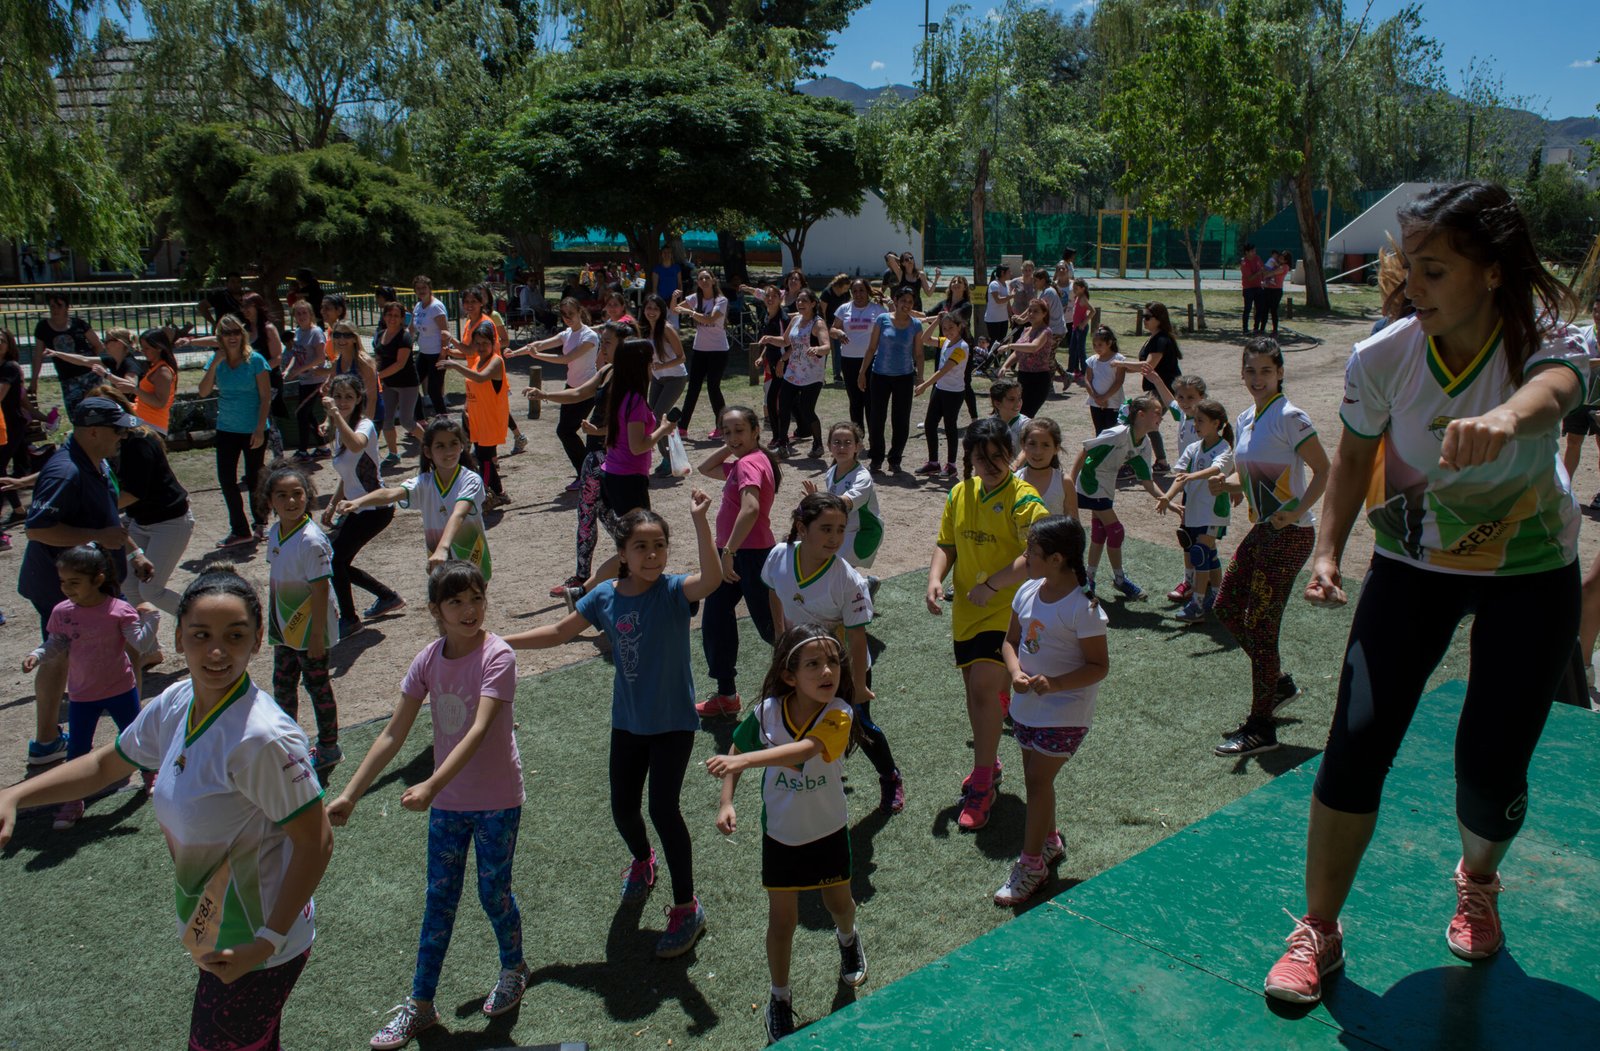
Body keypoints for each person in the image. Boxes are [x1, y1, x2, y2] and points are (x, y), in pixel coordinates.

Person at [1262, 183, 1586, 1004]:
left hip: (1530, 572)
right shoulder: (1383, 356)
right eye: (1411, 268)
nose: (1414, 288)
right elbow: (1352, 459)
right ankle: (1319, 929)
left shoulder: (1553, 338)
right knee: (1355, 740)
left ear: (1491, 273)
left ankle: (1477, 879)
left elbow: (1555, 390)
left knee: (1490, 765)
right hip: (1412, 570)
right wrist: (1329, 550)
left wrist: (1510, 419)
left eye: (1436, 271)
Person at [0, 567, 333, 1051]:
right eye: (201, 635)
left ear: (258, 640)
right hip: (219, 933)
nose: (216, 651)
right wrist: (14, 794)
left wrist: (265, 941)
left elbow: (316, 840)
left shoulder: (263, 739)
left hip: (255, 946)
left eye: (234, 636)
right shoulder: (177, 700)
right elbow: (104, 765)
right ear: (178, 639)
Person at [505, 498, 722, 958]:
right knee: (623, 809)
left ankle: (688, 907)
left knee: (664, 809)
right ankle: (643, 861)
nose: (651, 555)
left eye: (659, 546)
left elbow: (713, 579)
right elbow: (560, 633)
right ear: (622, 553)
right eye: (640, 547)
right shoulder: (604, 596)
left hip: (673, 724)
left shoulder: (673, 591)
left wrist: (700, 524)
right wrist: (499, 641)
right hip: (628, 722)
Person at [329, 561, 528, 1048]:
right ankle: (420, 1006)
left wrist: (431, 786)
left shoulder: (498, 655)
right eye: (455, 602)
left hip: (497, 801)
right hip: (449, 805)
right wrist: (350, 793)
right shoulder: (427, 660)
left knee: (492, 893)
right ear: (434, 610)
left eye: (475, 598)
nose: (469, 610)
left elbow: (480, 730)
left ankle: (514, 968)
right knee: (439, 901)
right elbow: (393, 733)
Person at [709, 624, 869, 1045]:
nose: (826, 671)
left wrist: (745, 764)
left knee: (840, 903)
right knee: (782, 922)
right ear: (788, 674)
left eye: (832, 661)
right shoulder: (765, 713)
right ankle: (780, 998)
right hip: (780, 836)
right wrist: (727, 801)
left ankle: (848, 939)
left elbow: (804, 750)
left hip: (829, 831)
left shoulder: (839, 712)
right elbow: (737, 751)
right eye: (812, 664)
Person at [1210, 337, 1331, 758]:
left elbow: (1323, 471)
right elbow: (1252, 478)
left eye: (1265, 370)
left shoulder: (1291, 416)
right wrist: (1222, 484)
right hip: (1264, 530)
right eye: (1250, 371)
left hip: (1290, 534)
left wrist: (1290, 512)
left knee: (1261, 627)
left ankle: (1262, 726)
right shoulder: (1245, 418)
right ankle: (1276, 681)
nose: (1257, 378)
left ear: (1280, 373)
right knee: (1226, 607)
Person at [927, 416, 1050, 831]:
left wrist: (994, 585)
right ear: (971, 460)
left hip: (1008, 610)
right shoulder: (960, 493)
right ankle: (990, 757)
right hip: (966, 611)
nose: (992, 465)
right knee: (978, 696)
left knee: (981, 688)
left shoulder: (1023, 497)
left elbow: (1038, 552)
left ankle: (982, 785)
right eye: (983, 458)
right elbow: (946, 543)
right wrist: (934, 579)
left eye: (999, 456)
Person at [18, 396, 155, 765]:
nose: (122, 436)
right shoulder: (66, 472)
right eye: (116, 430)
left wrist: (132, 552)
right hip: (61, 586)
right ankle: (47, 742)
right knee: (59, 655)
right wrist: (99, 535)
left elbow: (108, 520)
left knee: (115, 651)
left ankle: (129, 735)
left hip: (95, 584)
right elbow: (37, 530)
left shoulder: (98, 463)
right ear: (92, 431)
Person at [762, 492, 904, 809]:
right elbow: (774, 592)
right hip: (799, 660)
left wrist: (859, 685)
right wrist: (781, 636)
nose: (835, 538)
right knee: (798, 718)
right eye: (826, 528)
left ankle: (890, 776)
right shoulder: (778, 556)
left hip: (842, 665)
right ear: (802, 527)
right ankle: (812, 778)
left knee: (860, 725)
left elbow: (856, 638)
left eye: (841, 529)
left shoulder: (848, 580)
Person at [994, 516, 1108, 906]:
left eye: (1033, 553)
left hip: (1065, 714)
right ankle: (1050, 842)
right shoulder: (1027, 591)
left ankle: (1032, 866)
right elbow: (1009, 641)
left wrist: (1055, 685)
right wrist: (1014, 672)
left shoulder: (1083, 608)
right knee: (1035, 780)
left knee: (1037, 783)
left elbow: (1099, 667)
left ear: (1057, 559)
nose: (1025, 557)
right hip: (1028, 709)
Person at [23, 543, 157, 829]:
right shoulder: (62, 612)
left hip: (121, 688)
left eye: (74, 582)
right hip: (83, 694)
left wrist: (151, 617)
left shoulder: (118, 610)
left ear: (97, 579)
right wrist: (37, 655)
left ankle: (150, 775)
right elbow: (56, 643)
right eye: (62, 582)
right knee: (78, 749)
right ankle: (74, 798)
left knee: (135, 735)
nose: (66, 588)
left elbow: (141, 644)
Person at [560, 337, 680, 601]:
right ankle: (585, 592)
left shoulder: (621, 394)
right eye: (650, 362)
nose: (653, 366)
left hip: (615, 475)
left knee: (634, 543)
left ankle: (620, 590)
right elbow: (639, 446)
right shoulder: (635, 399)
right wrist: (664, 428)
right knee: (636, 544)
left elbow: (619, 435)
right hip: (627, 479)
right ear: (640, 365)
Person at [694, 406, 781, 716]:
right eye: (726, 431)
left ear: (756, 430)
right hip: (737, 554)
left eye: (739, 430)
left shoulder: (749, 465)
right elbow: (705, 467)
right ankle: (726, 695)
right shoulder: (747, 461)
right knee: (716, 619)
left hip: (749, 556)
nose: (732, 437)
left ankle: (819, 668)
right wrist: (734, 444)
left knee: (773, 628)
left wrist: (729, 552)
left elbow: (751, 509)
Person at [337, 415, 493, 584]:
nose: (448, 451)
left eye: (453, 444)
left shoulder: (471, 480)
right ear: (427, 451)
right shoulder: (424, 482)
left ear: (463, 446)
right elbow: (390, 493)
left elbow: (458, 514)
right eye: (440, 446)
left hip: (472, 562)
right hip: (440, 567)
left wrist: (442, 548)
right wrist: (358, 502)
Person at [260, 462, 342, 770]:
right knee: (282, 685)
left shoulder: (311, 540)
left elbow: (320, 591)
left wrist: (318, 637)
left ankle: (329, 747)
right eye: (282, 495)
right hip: (285, 631)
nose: (291, 501)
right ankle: (290, 744)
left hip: (310, 633)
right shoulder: (275, 534)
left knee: (317, 687)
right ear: (271, 501)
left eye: (297, 494)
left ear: (307, 496)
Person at [531, 323, 622, 597]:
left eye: (607, 342)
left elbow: (632, 423)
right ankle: (635, 549)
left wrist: (602, 432)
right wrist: (545, 394)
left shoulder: (626, 377)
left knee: (587, 514)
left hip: (603, 455)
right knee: (601, 512)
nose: (601, 346)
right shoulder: (606, 371)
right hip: (594, 454)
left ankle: (583, 577)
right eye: (602, 341)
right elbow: (579, 393)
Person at [93, 385, 192, 616]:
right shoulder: (104, 443)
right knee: (128, 583)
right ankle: (149, 646)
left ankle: (200, 622)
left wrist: (93, 507)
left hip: (170, 521)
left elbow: (134, 493)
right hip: (140, 521)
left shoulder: (138, 441)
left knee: (151, 590)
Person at [319, 374, 405, 636]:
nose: (343, 401)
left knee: (335, 560)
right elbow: (348, 474)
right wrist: (333, 504)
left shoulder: (364, 426)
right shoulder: (337, 429)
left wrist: (335, 415)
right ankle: (386, 596)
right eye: (338, 396)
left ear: (358, 399)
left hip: (375, 508)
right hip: (356, 508)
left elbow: (356, 445)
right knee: (337, 561)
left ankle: (350, 618)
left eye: (348, 397)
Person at [1070, 394, 1166, 599]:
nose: (1162, 416)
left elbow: (1146, 480)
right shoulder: (1118, 433)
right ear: (1141, 415)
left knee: (1101, 532)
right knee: (1115, 531)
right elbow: (1085, 450)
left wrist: (1166, 499)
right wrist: (1070, 482)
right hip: (1091, 482)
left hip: (1106, 485)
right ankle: (1119, 579)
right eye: (1157, 412)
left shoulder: (1144, 443)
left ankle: (1090, 577)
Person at [1155, 400, 1235, 624]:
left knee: (1199, 553)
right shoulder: (1193, 448)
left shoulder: (1224, 448)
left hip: (1213, 511)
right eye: (1194, 420)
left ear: (1216, 423)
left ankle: (1197, 605)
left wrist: (1193, 476)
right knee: (1208, 555)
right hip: (1194, 510)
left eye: (1200, 420)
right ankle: (1219, 597)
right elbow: (1180, 477)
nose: (1196, 425)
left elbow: (1217, 468)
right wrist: (1167, 497)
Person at [196, 315, 271, 546]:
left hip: (252, 428)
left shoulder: (255, 360)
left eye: (235, 332)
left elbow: (266, 396)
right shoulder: (215, 361)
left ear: (242, 334)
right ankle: (239, 529)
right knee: (226, 480)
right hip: (227, 428)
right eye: (226, 333)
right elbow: (203, 391)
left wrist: (259, 428)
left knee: (254, 478)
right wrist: (216, 363)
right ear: (220, 337)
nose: (232, 337)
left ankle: (260, 524)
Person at [517, 296, 599, 488]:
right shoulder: (567, 333)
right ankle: (586, 472)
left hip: (587, 389)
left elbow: (565, 358)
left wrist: (537, 355)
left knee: (566, 431)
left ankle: (587, 473)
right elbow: (539, 345)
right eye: (564, 315)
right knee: (565, 431)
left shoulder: (590, 336)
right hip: (571, 386)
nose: (567, 318)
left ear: (580, 311)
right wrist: (515, 353)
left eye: (571, 314)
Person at [442, 321, 511, 509]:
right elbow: (473, 386)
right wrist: (466, 407)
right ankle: (499, 493)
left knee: (484, 457)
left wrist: (455, 365)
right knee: (483, 456)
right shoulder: (478, 360)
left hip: (491, 418)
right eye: (478, 343)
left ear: (493, 342)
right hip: (477, 418)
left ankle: (486, 494)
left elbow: (481, 378)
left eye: (485, 343)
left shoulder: (496, 361)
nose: (481, 347)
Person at [858, 288, 923, 475]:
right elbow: (871, 348)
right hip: (879, 375)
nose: (907, 305)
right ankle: (877, 458)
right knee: (876, 419)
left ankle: (895, 459)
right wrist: (862, 372)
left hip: (904, 376)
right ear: (895, 300)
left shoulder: (916, 325)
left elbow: (918, 354)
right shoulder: (882, 319)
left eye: (910, 302)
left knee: (901, 420)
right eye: (903, 300)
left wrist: (920, 378)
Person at [808, 421, 884, 573]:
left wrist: (818, 499)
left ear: (858, 447)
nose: (842, 447)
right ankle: (866, 585)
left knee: (832, 570)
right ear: (829, 446)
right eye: (837, 442)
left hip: (863, 533)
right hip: (843, 530)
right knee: (832, 570)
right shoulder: (831, 472)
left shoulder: (862, 477)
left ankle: (863, 587)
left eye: (847, 443)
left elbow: (846, 503)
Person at [672, 270, 732, 438]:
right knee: (693, 388)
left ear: (713, 281)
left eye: (707, 277)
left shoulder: (721, 300)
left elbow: (710, 319)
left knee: (713, 387)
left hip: (718, 351)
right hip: (700, 350)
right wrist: (674, 298)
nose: (704, 280)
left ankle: (722, 427)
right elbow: (675, 310)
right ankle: (682, 427)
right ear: (697, 282)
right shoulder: (693, 298)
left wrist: (691, 313)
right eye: (701, 278)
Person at [774, 289, 830, 459]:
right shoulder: (796, 320)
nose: (800, 304)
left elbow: (827, 346)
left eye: (804, 301)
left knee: (807, 410)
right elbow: (785, 341)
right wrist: (770, 340)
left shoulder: (817, 324)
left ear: (813, 304)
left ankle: (818, 444)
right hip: (793, 372)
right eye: (798, 300)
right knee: (783, 407)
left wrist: (818, 349)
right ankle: (782, 445)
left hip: (812, 375)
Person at [914, 311, 972, 478]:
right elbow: (924, 339)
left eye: (951, 327)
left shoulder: (962, 347)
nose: (947, 331)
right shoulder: (946, 341)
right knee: (930, 425)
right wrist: (936, 322)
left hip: (954, 393)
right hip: (940, 390)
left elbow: (943, 370)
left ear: (960, 327)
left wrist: (924, 385)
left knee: (949, 427)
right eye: (944, 328)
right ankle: (933, 463)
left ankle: (952, 466)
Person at [31, 291, 106, 415]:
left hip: (89, 374)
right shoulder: (43, 327)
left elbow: (98, 345)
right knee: (75, 413)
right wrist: (34, 380)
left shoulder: (79, 324)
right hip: (67, 377)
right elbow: (38, 355)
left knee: (96, 410)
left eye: (59, 306)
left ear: (67, 307)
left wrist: (95, 364)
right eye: (52, 306)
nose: (55, 310)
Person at [641, 294, 687, 474]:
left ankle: (669, 460)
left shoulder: (667, 329)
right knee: (653, 418)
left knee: (658, 417)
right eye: (648, 308)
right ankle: (669, 458)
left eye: (655, 308)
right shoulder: (645, 330)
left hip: (675, 378)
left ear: (662, 311)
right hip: (658, 379)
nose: (651, 312)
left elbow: (682, 357)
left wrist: (663, 366)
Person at [280, 299, 332, 460]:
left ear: (311, 314)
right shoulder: (298, 332)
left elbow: (320, 358)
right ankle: (323, 446)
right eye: (298, 313)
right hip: (304, 380)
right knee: (306, 414)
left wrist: (299, 370)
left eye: (304, 313)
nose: (301, 316)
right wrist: (289, 370)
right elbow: (297, 355)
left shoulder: (316, 332)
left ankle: (303, 451)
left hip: (316, 380)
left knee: (301, 413)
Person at [101, 328, 178, 435]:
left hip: (152, 427)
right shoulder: (154, 367)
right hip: (141, 421)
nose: (143, 351)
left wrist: (134, 390)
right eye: (142, 348)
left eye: (147, 348)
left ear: (159, 348)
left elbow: (160, 403)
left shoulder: (163, 371)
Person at [373, 299, 422, 465]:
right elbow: (379, 358)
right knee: (386, 420)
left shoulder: (404, 337)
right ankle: (393, 454)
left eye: (396, 315)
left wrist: (378, 376)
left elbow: (400, 364)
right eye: (389, 314)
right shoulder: (380, 335)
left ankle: (431, 444)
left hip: (407, 383)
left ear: (402, 318)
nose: (392, 318)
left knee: (407, 421)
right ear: (384, 316)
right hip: (388, 384)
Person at [832, 278, 885, 429]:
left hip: (872, 360)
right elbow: (832, 329)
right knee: (855, 400)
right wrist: (839, 332)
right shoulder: (844, 309)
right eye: (854, 291)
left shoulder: (877, 309)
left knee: (870, 400)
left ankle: (874, 437)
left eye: (861, 290)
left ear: (868, 291)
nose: (858, 294)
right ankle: (858, 436)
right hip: (849, 360)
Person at [1137, 303, 1183, 471]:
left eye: (1148, 317)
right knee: (1149, 423)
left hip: (1164, 390)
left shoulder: (1161, 339)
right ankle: (1161, 461)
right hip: (1155, 388)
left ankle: (1134, 461)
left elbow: (1148, 366)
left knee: (1145, 422)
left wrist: (1121, 364)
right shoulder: (1154, 338)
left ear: (1159, 319)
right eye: (1143, 317)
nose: (1144, 320)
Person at [1000, 299, 1060, 418]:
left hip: (1039, 379)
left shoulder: (1046, 331)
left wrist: (1010, 345)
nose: (1031, 314)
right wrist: (1005, 365)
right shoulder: (1026, 330)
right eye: (1030, 311)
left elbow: (1034, 347)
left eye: (1036, 311)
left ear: (1044, 314)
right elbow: (1018, 353)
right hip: (1023, 376)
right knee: (1018, 414)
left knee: (1026, 414)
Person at [1016, 417, 1079, 520]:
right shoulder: (1014, 480)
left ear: (1056, 448)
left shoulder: (1064, 482)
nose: (1038, 452)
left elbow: (1073, 523)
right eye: (1032, 444)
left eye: (1045, 445)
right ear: (1023, 445)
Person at [0, 328, 33, 523]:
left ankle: (18, 512)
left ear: (8, 345)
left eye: (2, 340)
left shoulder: (10, 367)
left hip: (11, 425)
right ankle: (19, 511)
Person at [410, 275, 450, 418]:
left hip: (437, 353)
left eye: (424, 288)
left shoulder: (436, 307)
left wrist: (443, 353)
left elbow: (445, 332)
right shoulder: (418, 305)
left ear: (429, 289)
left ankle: (443, 418)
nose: (421, 291)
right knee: (411, 385)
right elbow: (412, 328)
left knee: (434, 390)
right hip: (424, 353)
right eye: (418, 288)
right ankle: (420, 420)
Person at [1084, 326, 1129, 436]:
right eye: (1094, 345)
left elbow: (1119, 381)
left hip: (1113, 403)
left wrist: (1105, 397)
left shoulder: (1119, 359)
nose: (1097, 348)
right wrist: (1096, 397)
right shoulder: (1092, 360)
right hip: (1095, 403)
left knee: (1112, 433)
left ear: (1109, 343)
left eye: (1100, 345)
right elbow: (1087, 379)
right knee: (1099, 431)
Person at [989, 375, 1029, 449]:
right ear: (997, 403)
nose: (1018, 403)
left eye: (1019, 398)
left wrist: (1016, 461)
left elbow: (1026, 451)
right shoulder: (990, 423)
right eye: (1011, 399)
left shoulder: (1025, 425)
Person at [1065, 279, 1092, 385]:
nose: (1074, 290)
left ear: (1082, 288)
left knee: (1081, 350)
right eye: (1074, 288)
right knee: (1072, 349)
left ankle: (1084, 371)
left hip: (1081, 329)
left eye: (1076, 288)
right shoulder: (1077, 297)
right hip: (1075, 327)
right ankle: (1072, 370)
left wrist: (1084, 323)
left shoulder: (1083, 299)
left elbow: (1092, 311)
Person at [1258, 250, 1290, 335]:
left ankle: (1275, 329)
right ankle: (1262, 329)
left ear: (1286, 260)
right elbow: (1266, 271)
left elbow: (1270, 273)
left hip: (1276, 290)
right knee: (1265, 309)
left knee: (1273, 310)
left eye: (1282, 258)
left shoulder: (1284, 267)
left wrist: (1266, 273)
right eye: (1280, 257)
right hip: (1268, 289)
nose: (1279, 258)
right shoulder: (1276, 264)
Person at [984, 264, 1013, 345]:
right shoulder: (994, 284)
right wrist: (1011, 296)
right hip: (993, 320)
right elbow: (998, 300)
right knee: (994, 344)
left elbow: (1007, 303)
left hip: (1003, 319)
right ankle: (990, 358)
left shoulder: (1006, 284)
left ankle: (998, 358)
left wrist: (1011, 316)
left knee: (1001, 343)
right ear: (1003, 273)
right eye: (1009, 272)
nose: (1011, 273)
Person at [1239, 243, 1264, 333]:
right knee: (1248, 308)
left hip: (1258, 287)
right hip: (1248, 288)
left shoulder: (1257, 258)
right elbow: (1249, 278)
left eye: (1255, 251)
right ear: (1247, 252)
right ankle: (1245, 329)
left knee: (1259, 308)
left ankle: (1256, 328)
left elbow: (1263, 269)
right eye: (1252, 251)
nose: (1254, 253)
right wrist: (1259, 272)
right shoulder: (1244, 262)